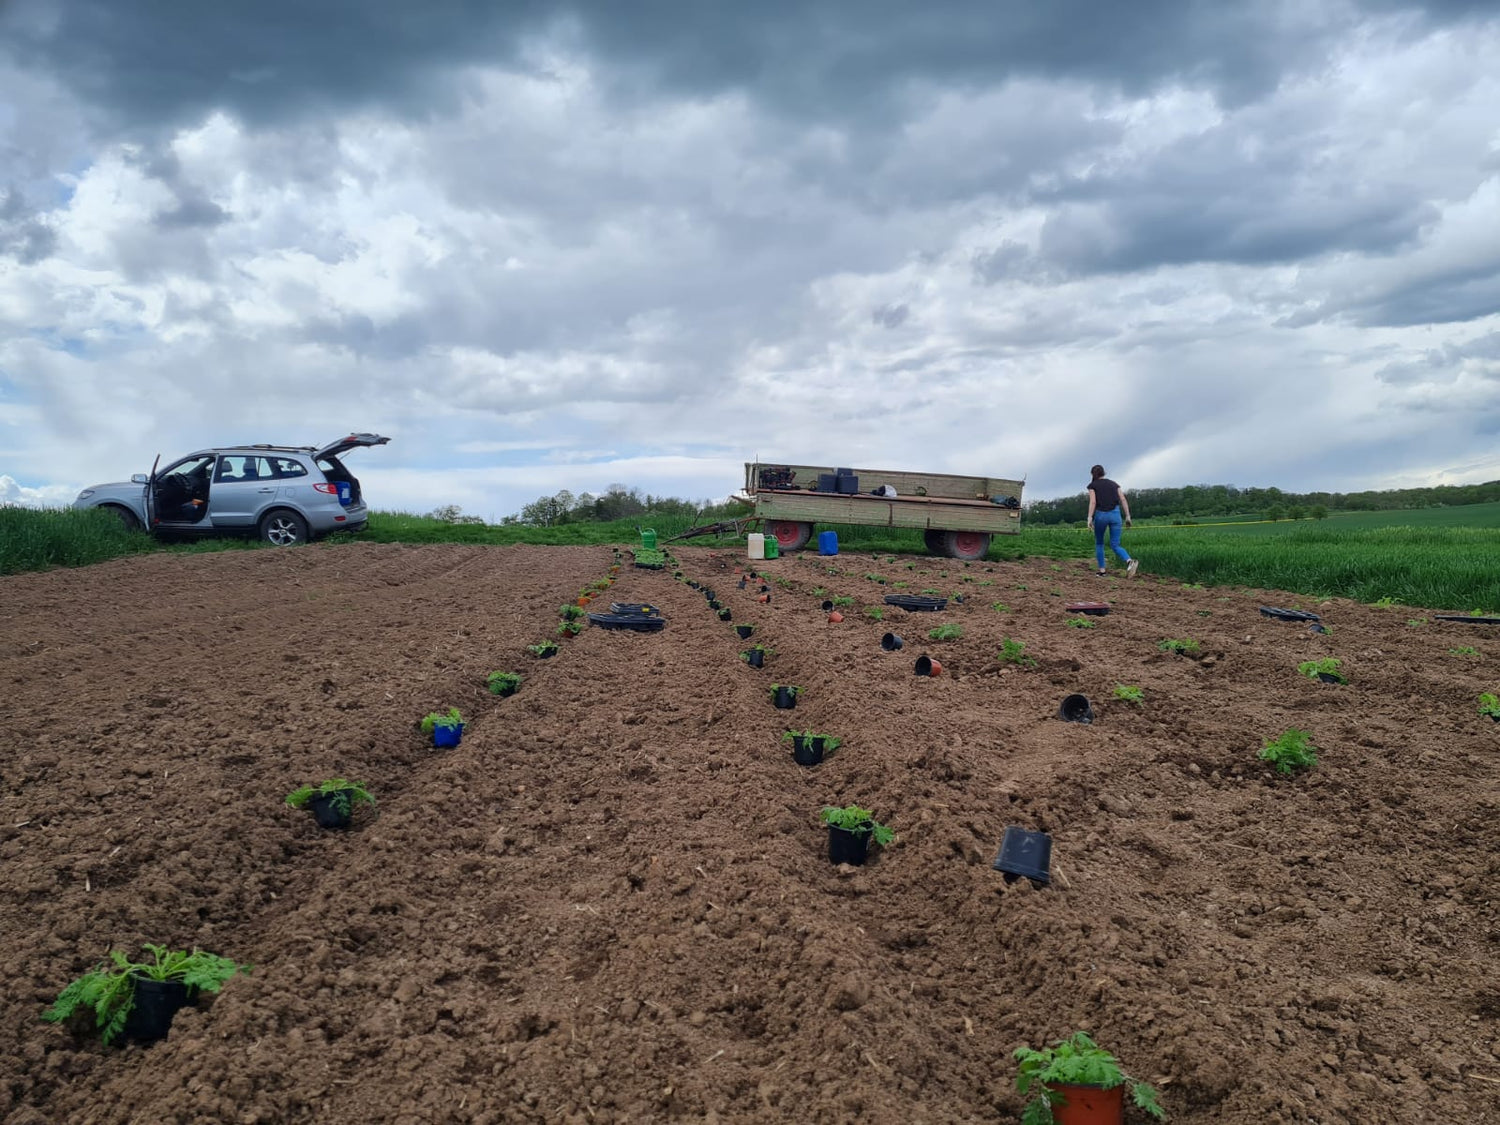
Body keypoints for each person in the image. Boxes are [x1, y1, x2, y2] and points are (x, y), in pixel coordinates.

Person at [1085, 465, 1138, 577]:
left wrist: (1089, 517)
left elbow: (1093, 502)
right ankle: (1129, 561)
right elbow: (1123, 499)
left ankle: (1102, 571)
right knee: (1115, 544)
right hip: (1115, 514)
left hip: (1101, 515)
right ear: (1104, 473)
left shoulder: (1092, 485)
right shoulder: (1114, 484)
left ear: (1092, 474)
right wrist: (1128, 516)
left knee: (1099, 543)